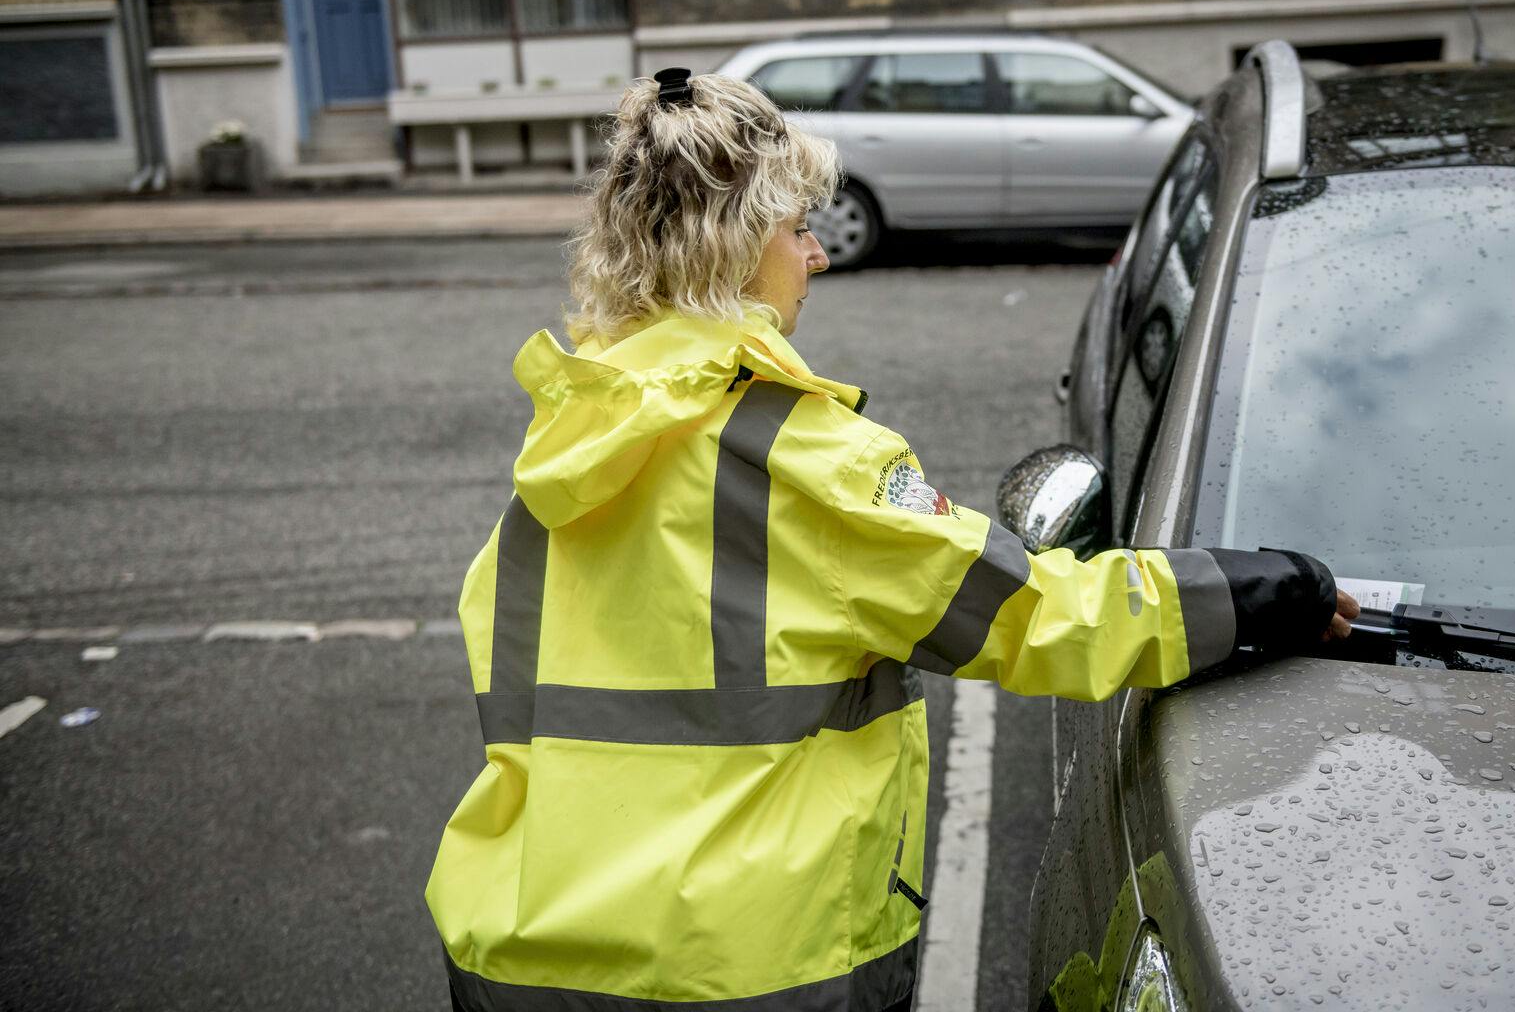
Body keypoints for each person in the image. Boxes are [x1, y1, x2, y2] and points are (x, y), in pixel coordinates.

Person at [426, 68, 1358, 1011]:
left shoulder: (566, 443)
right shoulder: (801, 460)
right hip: (746, 972)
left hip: (518, 956)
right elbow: (1032, 618)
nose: (817, 257)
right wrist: (1251, 593)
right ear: (738, 246)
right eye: (798, 229)